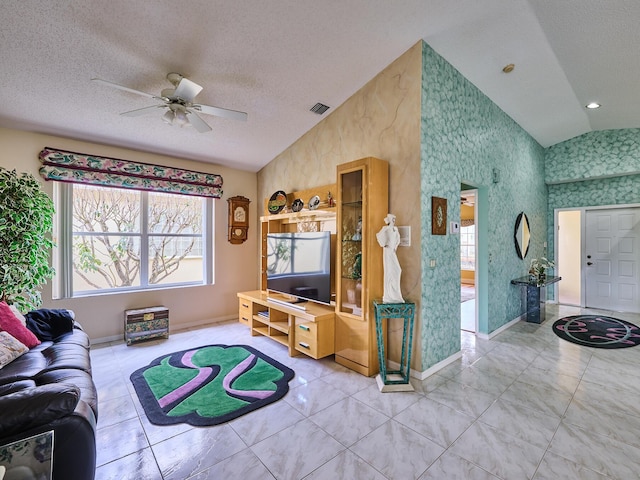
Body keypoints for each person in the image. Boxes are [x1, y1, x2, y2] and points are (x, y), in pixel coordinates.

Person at [376, 213, 404, 303]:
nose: (394, 221)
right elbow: (378, 236)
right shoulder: (385, 228)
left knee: (397, 270)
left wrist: (394, 248)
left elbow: (398, 240)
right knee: (389, 271)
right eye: (392, 219)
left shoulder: (395, 229)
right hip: (387, 251)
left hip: (392, 251)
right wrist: (386, 230)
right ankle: (389, 294)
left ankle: (395, 294)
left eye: (394, 219)